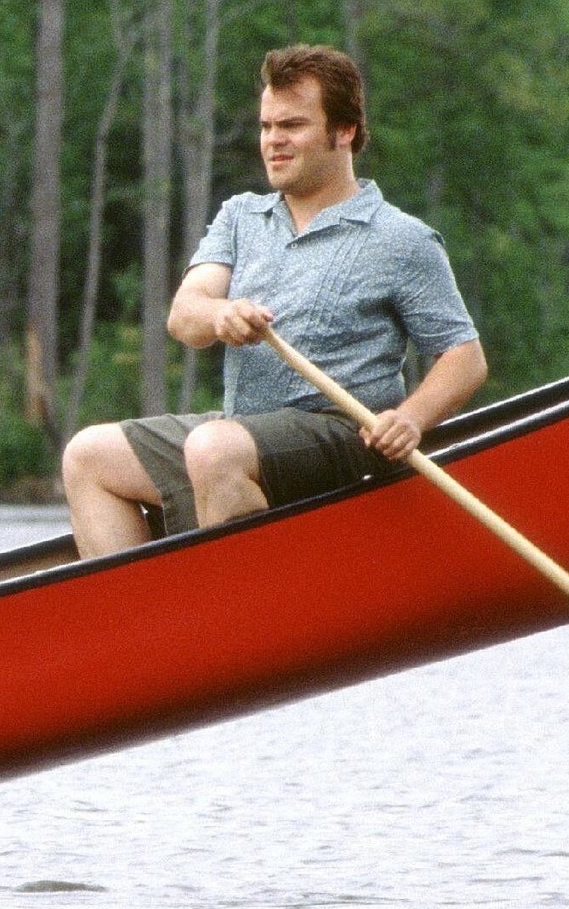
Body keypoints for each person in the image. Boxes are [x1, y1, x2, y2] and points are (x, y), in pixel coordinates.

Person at [62, 44, 487, 555]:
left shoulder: (402, 239)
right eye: (266, 127)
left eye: (292, 126)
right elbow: (186, 316)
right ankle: (136, 623)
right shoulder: (242, 216)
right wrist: (221, 314)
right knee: (89, 455)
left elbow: (464, 358)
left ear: (344, 130)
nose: (273, 142)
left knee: (214, 450)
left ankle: (239, 610)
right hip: (238, 431)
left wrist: (412, 417)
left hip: (342, 437)